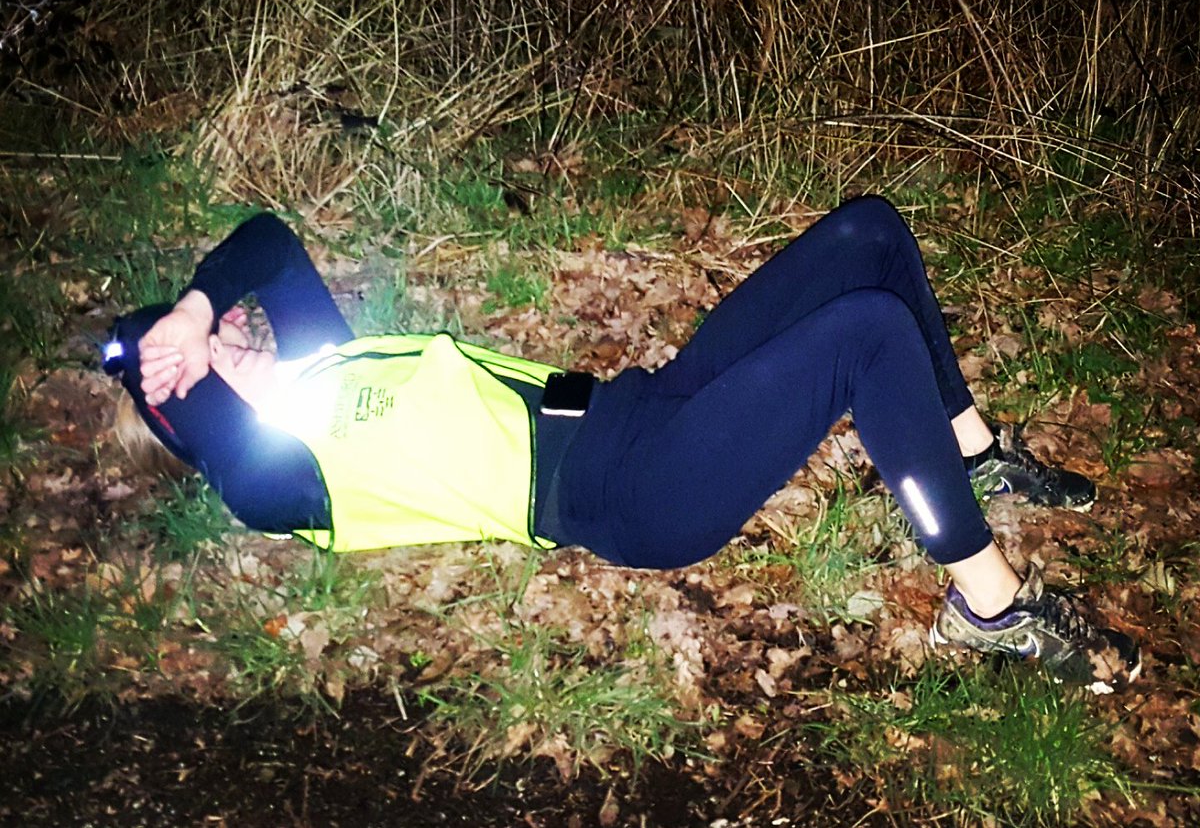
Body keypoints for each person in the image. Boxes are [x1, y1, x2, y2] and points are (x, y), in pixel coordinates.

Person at [104, 197, 1141, 692]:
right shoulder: (278, 477)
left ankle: (971, 455)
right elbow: (202, 429)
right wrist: (154, 362)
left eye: (209, 329)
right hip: (635, 493)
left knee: (866, 235)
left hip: (641, 406)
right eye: (193, 359)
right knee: (866, 335)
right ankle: (990, 604)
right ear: (186, 405)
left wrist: (191, 304)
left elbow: (267, 240)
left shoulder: (323, 361)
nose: (224, 333)